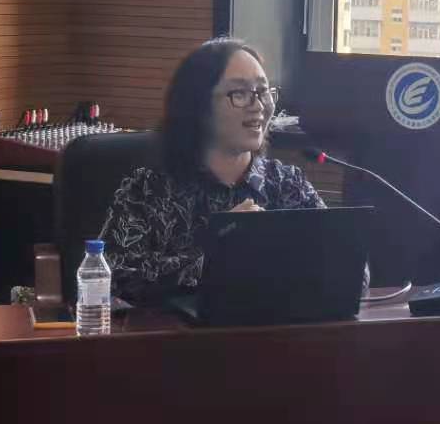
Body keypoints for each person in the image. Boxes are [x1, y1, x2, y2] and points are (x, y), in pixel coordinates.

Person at [99, 37, 324, 303]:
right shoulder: (148, 190)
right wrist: (219, 247)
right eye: (239, 94)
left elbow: (350, 269)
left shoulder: (288, 184)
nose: (258, 105)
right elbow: (112, 278)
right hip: (178, 330)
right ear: (198, 106)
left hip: (277, 328)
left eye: (263, 91)